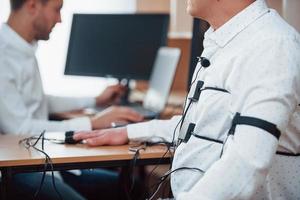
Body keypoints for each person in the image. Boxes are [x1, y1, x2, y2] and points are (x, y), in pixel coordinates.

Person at [74, 0, 300, 199]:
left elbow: (246, 164)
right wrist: (127, 132)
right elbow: (203, 123)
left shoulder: (272, 46)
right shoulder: (225, 42)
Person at [0, 0, 143, 199]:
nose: (60, 19)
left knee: (130, 186)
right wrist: (91, 123)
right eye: (57, 9)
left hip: (41, 161)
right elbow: (20, 129)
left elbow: (39, 101)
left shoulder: (23, 47)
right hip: (18, 170)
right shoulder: (3, 55)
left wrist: (95, 100)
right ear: (32, 6)